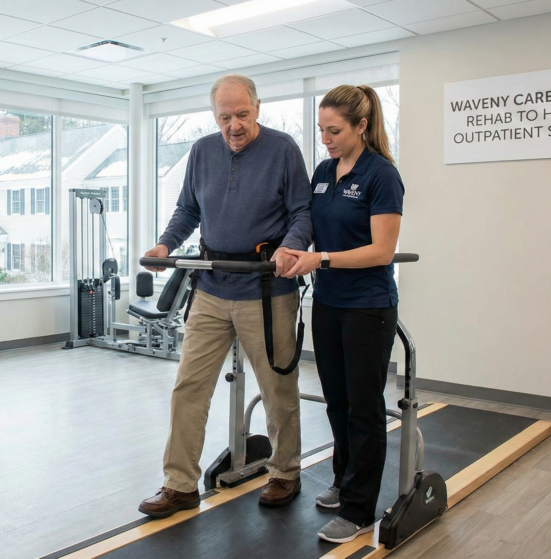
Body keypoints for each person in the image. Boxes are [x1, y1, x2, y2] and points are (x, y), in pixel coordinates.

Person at [138, 74, 313, 518]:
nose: (234, 125)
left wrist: (291, 247)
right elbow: (188, 210)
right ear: (214, 115)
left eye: (242, 115)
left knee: (277, 388)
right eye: (224, 117)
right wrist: (165, 245)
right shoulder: (201, 151)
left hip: (266, 289)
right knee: (189, 387)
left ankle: (284, 472)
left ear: (258, 107)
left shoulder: (283, 149)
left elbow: (302, 212)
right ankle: (179, 484)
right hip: (212, 287)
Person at [275, 84, 404, 543]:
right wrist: (293, 250)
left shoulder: (381, 174)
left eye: (334, 131)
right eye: (321, 131)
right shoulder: (324, 172)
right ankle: (343, 479)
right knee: (337, 402)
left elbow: (382, 250)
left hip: (368, 307)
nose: (325, 139)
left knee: (364, 409)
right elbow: (310, 226)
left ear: (361, 126)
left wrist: (322, 259)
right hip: (328, 303)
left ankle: (359, 508)